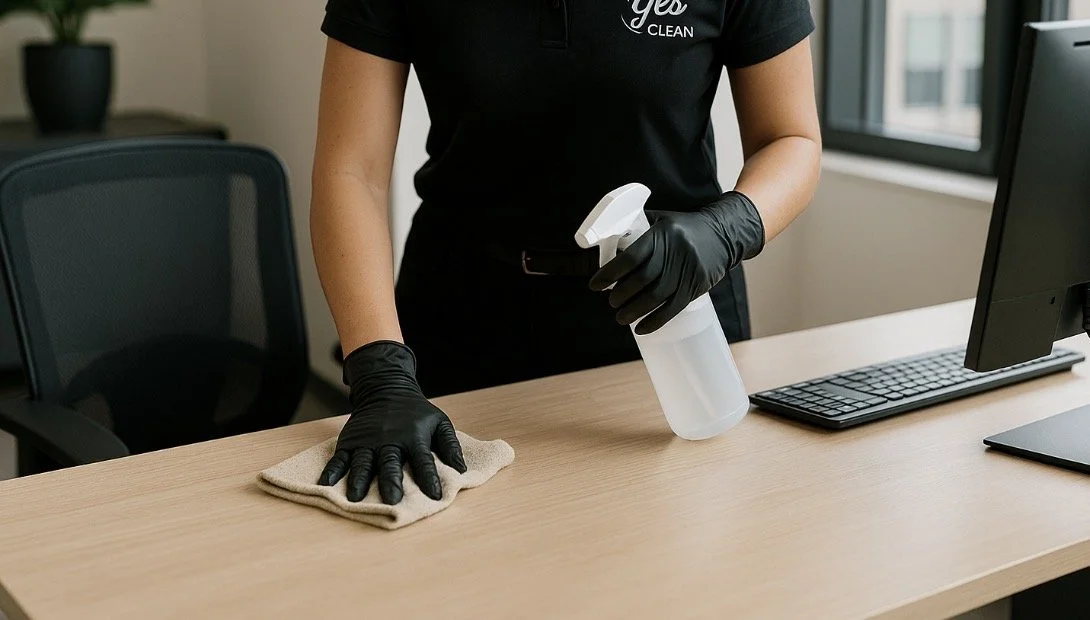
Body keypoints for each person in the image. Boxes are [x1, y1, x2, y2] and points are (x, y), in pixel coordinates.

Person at [312, 0, 822, 504]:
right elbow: (351, 172)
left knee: (692, 543)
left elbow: (791, 137)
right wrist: (379, 371)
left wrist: (727, 228)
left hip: (673, 311)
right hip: (463, 317)